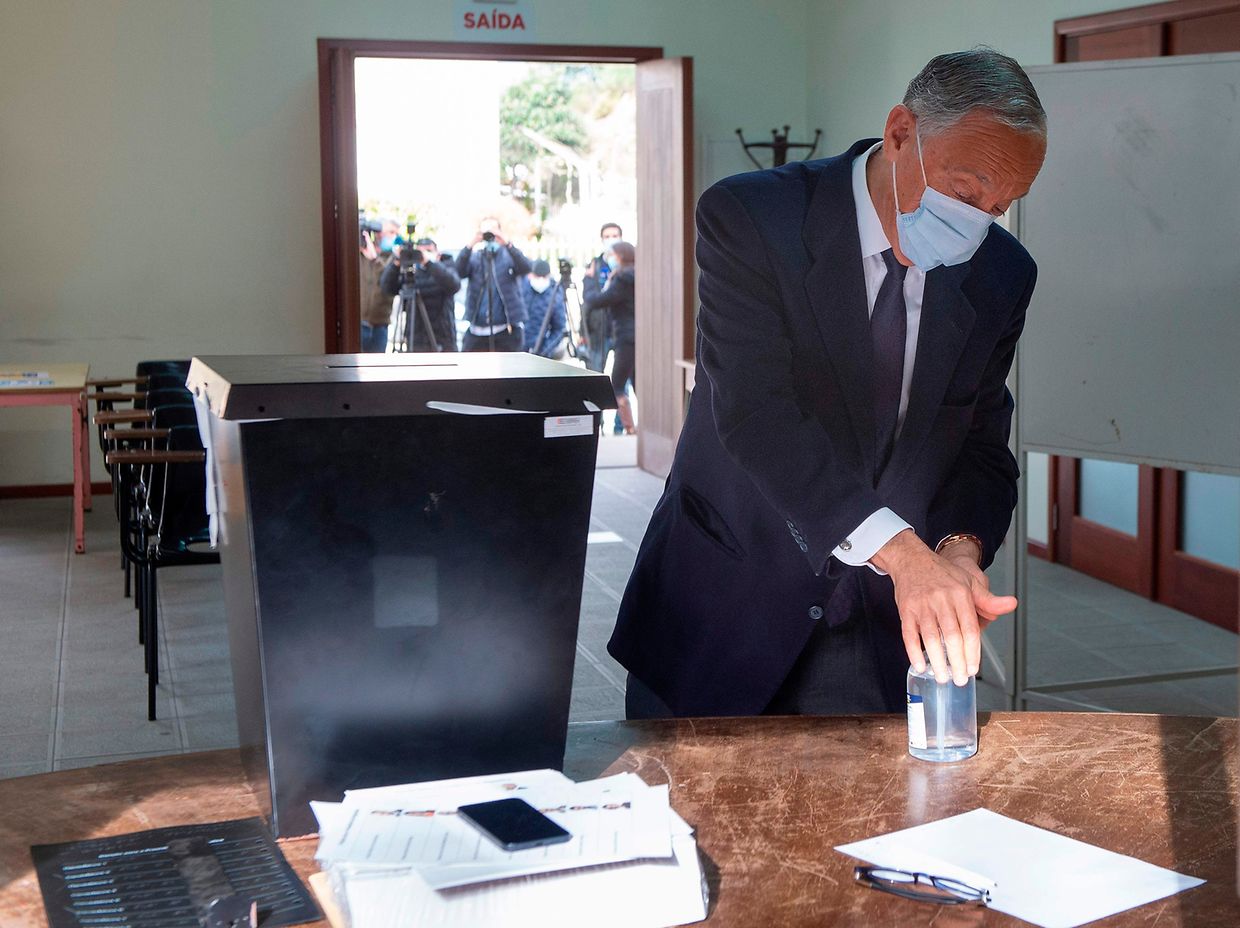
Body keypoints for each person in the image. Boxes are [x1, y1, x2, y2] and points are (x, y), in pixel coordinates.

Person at [608, 48, 1047, 719]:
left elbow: (980, 440)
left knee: (874, 817)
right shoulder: (753, 220)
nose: (979, 220)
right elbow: (758, 416)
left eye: (1003, 203)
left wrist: (957, 553)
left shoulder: (1001, 274)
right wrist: (905, 556)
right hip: (729, 593)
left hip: (877, 626)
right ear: (901, 132)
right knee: (685, 812)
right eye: (965, 190)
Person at [455, 217, 532, 352]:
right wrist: (470, 244)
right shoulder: (475, 257)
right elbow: (459, 271)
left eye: (493, 230)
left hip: (505, 330)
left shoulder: (508, 256)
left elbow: (526, 267)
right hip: (477, 330)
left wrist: (507, 244)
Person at [582, 241, 636, 433]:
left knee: (617, 386)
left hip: (626, 336)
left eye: (611, 255)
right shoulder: (636, 275)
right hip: (638, 337)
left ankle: (630, 429)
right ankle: (644, 429)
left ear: (621, 256)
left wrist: (588, 280)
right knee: (637, 383)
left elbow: (595, 301)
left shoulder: (622, 279)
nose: (609, 259)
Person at [380, 236, 461, 351]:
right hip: (416, 337)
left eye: (428, 251)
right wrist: (397, 262)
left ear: (437, 253)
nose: (424, 255)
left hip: (442, 338)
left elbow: (454, 285)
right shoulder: (410, 272)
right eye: (420, 252)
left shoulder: (446, 265)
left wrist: (429, 263)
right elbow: (387, 288)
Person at [584, 222, 624, 372]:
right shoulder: (595, 265)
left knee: (623, 378)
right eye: (607, 237)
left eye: (614, 236)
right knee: (594, 373)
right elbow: (588, 297)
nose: (611, 239)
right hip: (600, 329)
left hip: (622, 329)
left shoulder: (629, 266)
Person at [359, 218, 399, 352]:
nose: (394, 236)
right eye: (390, 232)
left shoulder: (392, 258)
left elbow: (388, 282)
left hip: (380, 325)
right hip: (359, 323)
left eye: (396, 233)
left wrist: (375, 260)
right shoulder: (358, 254)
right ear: (378, 232)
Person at [521, 259, 568, 358]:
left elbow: (559, 329)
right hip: (520, 349)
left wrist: (544, 351)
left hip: (541, 351)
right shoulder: (523, 288)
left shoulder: (555, 295)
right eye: (537, 276)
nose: (540, 280)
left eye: (543, 277)